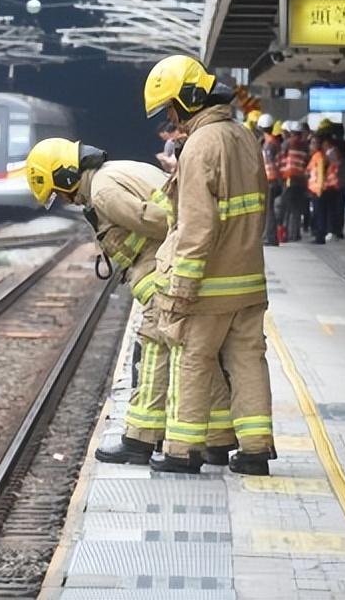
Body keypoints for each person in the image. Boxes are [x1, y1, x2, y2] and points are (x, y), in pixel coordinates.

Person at [23, 137, 238, 467]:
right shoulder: (119, 170)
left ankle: (140, 439)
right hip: (177, 268)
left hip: (162, 272)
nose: (67, 200)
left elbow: (164, 222)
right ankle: (220, 438)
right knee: (198, 352)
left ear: (66, 175)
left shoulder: (103, 191)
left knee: (154, 347)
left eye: (60, 191)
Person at [142, 54, 274, 476]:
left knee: (193, 358)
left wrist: (182, 289)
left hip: (210, 285)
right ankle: (255, 449)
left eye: (171, 109)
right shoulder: (242, 136)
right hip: (249, 278)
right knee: (249, 359)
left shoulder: (200, 146)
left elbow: (196, 227)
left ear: (189, 101)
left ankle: (182, 451)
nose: (171, 118)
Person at [279, 122, 308, 243]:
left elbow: (281, 159)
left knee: (288, 207)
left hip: (289, 179)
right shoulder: (305, 146)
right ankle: (295, 234)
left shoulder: (287, 144)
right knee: (297, 208)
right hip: (301, 180)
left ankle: (287, 233)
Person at [259, 116, 283, 247]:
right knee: (270, 210)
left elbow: (269, 164)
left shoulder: (269, 145)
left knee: (269, 210)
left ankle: (270, 237)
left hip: (270, 180)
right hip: (274, 180)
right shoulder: (274, 143)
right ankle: (270, 236)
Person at [306, 133, 328, 245]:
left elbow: (320, 174)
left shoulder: (319, 157)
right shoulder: (316, 156)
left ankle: (320, 236)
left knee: (319, 213)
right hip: (314, 189)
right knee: (317, 212)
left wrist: (319, 188)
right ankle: (318, 234)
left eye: (314, 143)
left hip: (318, 190)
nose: (311, 145)